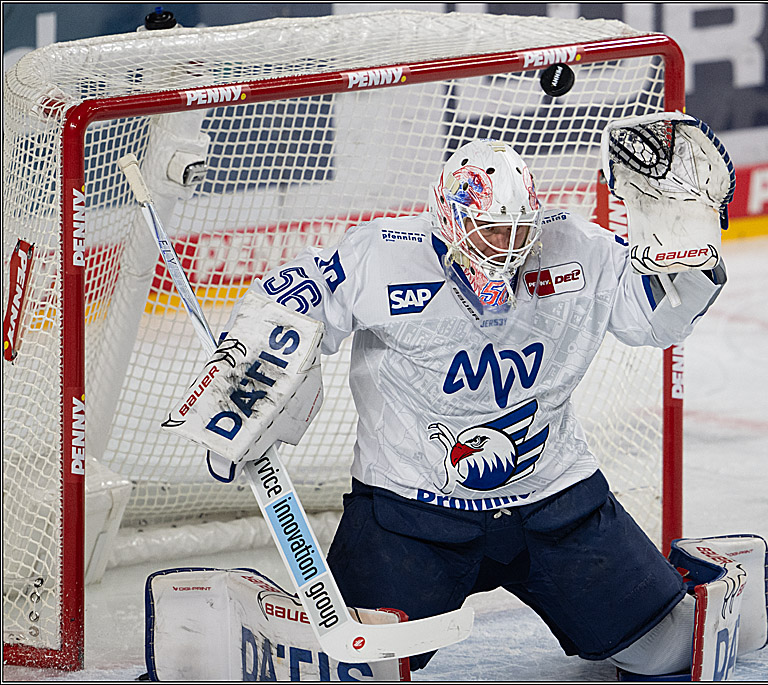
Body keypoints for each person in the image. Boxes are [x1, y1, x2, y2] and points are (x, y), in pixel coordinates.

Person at [229, 127, 731, 676]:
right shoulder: (381, 254)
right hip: (411, 513)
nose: (507, 248)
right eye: (491, 231)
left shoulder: (577, 248)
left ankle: (680, 582)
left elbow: (654, 319)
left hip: (555, 502)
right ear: (451, 221)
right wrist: (241, 389)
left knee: (667, 652)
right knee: (353, 670)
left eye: (520, 231)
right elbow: (289, 301)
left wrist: (688, 256)